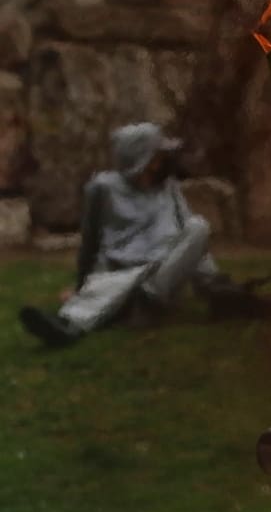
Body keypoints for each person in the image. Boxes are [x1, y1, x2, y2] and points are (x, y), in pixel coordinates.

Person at [19, 122, 240, 347]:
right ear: (140, 157)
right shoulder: (102, 188)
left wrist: (214, 284)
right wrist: (80, 285)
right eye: (157, 155)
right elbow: (90, 241)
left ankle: (145, 305)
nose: (162, 160)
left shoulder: (169, 187)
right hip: (119, 270)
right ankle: (66, 327)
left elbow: (193, 244)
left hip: (161, 277)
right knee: (107, 288)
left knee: (198, 226)